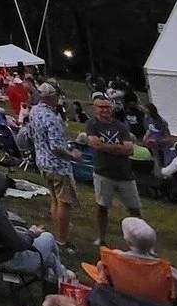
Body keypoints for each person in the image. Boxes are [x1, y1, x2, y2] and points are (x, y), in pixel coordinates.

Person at [0, 164, 67, 283]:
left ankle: (59, 275)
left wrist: (21, 232)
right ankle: (64, 282)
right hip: (2, 259)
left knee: (51, 257)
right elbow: (19, 245)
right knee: (48, 238)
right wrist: (31, 233)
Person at [85, 93, 142, 245]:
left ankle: (141, 240)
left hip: (124, 174)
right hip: (103, 172)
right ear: (95, 108)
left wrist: (106, 147)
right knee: (102, 206)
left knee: (134, 209)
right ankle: (101, 238)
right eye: (101, 107)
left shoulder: (120, 126)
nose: (105, 110)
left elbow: (129, 149)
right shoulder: (92, 124)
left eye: (108, 107)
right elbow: (95, 145)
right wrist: (118, 148)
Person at [27, 82, 79, 244]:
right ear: (51, 97)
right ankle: (61, 239)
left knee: (54, 200)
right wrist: (72, 155)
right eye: (57, 96)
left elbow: (30, 134)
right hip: (57, 165)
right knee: (64, 202)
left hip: (42, 161)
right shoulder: (51, 118)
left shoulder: (34, 111)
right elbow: (56, 147)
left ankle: (57, 235)